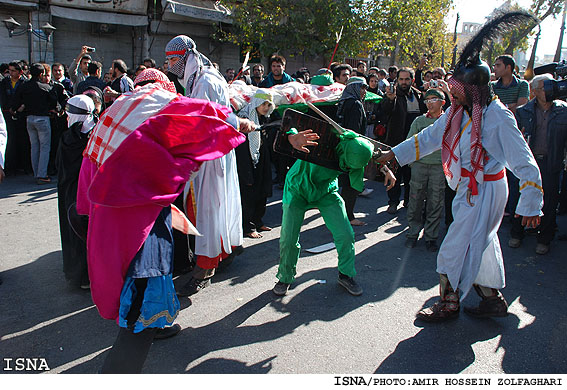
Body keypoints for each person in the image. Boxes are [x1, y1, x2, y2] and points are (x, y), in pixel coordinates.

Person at [76, 69, 255, 373]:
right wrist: (240, 123)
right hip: (138, 217)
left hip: (107, 209)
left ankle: (156, 325)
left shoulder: (116, 108)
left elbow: (90, 167)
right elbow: (205, 115)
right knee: (143, 294)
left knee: (124, 278)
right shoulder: (159, 99)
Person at [377, 11, 542, 322]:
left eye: (458, 89)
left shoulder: (498, 117)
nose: (451, 93)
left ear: (475, 90)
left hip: (487, 190)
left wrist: (532, 203)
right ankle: (491, 299)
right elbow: (428, 137)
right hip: (469, 188)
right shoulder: (459, 112)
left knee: (456, 244)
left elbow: (525, 160)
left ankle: (449, 302)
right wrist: (393, 155)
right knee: (481, 242)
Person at [165, 35, 245, 295]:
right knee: (219, 205)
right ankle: (224, 251)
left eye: (173, 60)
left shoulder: (205, 82)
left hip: (209, 153)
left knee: (207, 209)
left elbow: (201, 123)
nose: (170, 65)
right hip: (215, 151)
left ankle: (205, 267)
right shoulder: (203, 78)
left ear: (187, 56)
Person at [273, 127, 396, 297]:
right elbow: (291, 126)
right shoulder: (323, 137)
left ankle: (345, 274)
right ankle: (285, 277)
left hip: (326, 191)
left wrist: (384, 169)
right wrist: (291, 136)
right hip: (297, 188)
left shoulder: (355, 147)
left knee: (345, 234)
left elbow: (372, 154)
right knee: (288, 238)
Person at [509, 74, 567, 255]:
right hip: (528, 163)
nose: (548, 90)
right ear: (534, 91)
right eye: (543, 87)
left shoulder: (563, 110)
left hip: (552, 162)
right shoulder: (523, 111)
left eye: (549, 86)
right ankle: (517, 233)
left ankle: (544, 238)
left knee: (549, 201)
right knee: (520, 197)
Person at [56, 93, 100, 289]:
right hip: (95, 193)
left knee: (77, 233)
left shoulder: (69, 138)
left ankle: (81, 275)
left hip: (74, 193)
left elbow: (61, 168)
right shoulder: (99, 132)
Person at [404, 89, 446, 252]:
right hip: (420, 165)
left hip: (439, 166)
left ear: (442, 102)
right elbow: (409, 142)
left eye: (433, 99)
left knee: (435, 201)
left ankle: (431, 237)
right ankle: (412, 233)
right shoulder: (419, 121)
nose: (429, 103)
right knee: (415, 199)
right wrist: (411, 162)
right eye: (427, 100)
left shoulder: (447, 121)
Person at [381, 67, 427, 214]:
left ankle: (408, 201)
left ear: (412, 80)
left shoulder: (418, 96)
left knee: (410, 176)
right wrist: (390, 99)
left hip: (414, 142)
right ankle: (393, 202)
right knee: (395, 173)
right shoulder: (393, 95)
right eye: (401, 79)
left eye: (407, 79)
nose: (404, 82)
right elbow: (385, 111)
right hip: (396, 141)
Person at [235, 90, 274, 238]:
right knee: (248, 194)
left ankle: (258, 221)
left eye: (268, 104)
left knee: (261, 190)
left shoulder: (264, 118)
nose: (266, 107)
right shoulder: (245, 117)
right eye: (263, 103)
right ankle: (248, 227)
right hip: (247, 159)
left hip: (260, 157)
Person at [11, 63, 57, 184]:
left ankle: (37, 173)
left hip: (29, 118)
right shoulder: (45, 87)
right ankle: (42, 174)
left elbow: (16, 101)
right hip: (42, 118)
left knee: (34, 147)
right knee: (44, 147)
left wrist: (15, 109)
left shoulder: (24, 86)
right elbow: (54, 102)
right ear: (41, 74)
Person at [336, 77, 370, 226]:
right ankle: (348, 217)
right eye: (361, 88)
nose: (364, 92)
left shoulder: (344, 102)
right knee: (352, 184)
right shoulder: (355, 104)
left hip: (343, 148)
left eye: (365, 88)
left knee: (345, 184)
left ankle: (342, 215)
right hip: (353, 150)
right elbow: (354, 130)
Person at [0, 61, 30, 175]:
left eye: (14, 71)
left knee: (23, 141)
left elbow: (26, 98)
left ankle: (24, 166)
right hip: (7, 114)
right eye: (10, 70)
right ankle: (10, 167)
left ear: (20, 72)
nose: (11, 73)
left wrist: (20, 107)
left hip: (21, 115)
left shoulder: (25, 83)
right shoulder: (4, 82)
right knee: (10, 141)